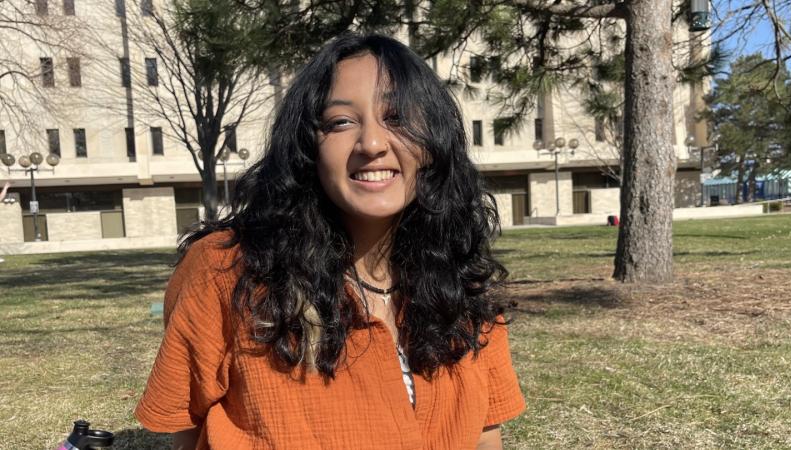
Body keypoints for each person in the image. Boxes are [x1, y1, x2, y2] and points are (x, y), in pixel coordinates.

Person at [135, 33, 525, 450]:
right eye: (340, 122)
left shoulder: (460, 278)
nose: (373, 144)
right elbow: (188, 431)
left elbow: (486, 434)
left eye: (397, 118)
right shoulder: (225, 270)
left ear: (433, 144)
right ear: (308, 147)